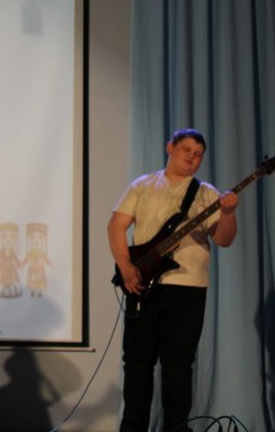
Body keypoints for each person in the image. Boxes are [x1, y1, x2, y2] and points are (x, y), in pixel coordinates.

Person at [107, 128, 239, 432]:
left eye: (198, 155)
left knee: (178, 366)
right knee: (137, 364)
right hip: (142, 284)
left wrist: (229, 214)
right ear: (170, 148)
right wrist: (125, 266)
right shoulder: (142, 186)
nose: (192, 158)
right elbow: (116, 226)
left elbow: (223, 239)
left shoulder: (206, 193)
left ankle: (177, 428)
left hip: (188, 289)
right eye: (186, 150)